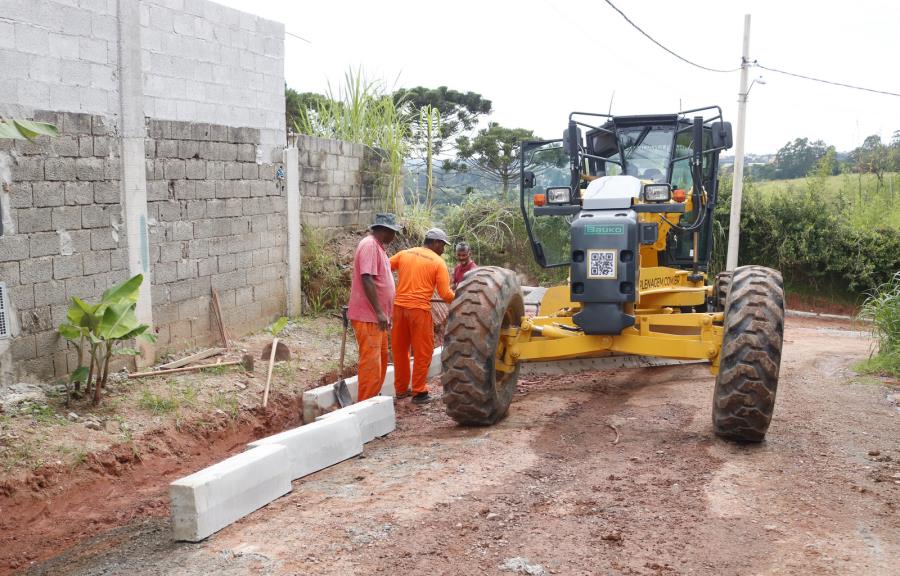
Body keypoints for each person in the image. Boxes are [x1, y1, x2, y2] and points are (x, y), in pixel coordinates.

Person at [389, 228, 455, 404]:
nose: (443, 249)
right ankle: (419, 391)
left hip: (399, 308)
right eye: (443, 245)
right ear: (436, 243)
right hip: (419, 310)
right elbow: (445, 294)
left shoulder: (404, 253)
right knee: (423, 351)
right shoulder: (438, 262)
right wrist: (461, 297)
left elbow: (385, 266)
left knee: (400, 350)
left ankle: (401, 390)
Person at [347, 213, 401, 402]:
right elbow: (366, 277)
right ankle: (366, 405)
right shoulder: (370, 245)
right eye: (393, 232)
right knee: (371, 364)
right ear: (384, 231)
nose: (394, 237)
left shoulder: (377, 247)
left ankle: (372, 400)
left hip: (377, 318)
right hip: (369, 317)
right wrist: (379, 311)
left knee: (380, 360)